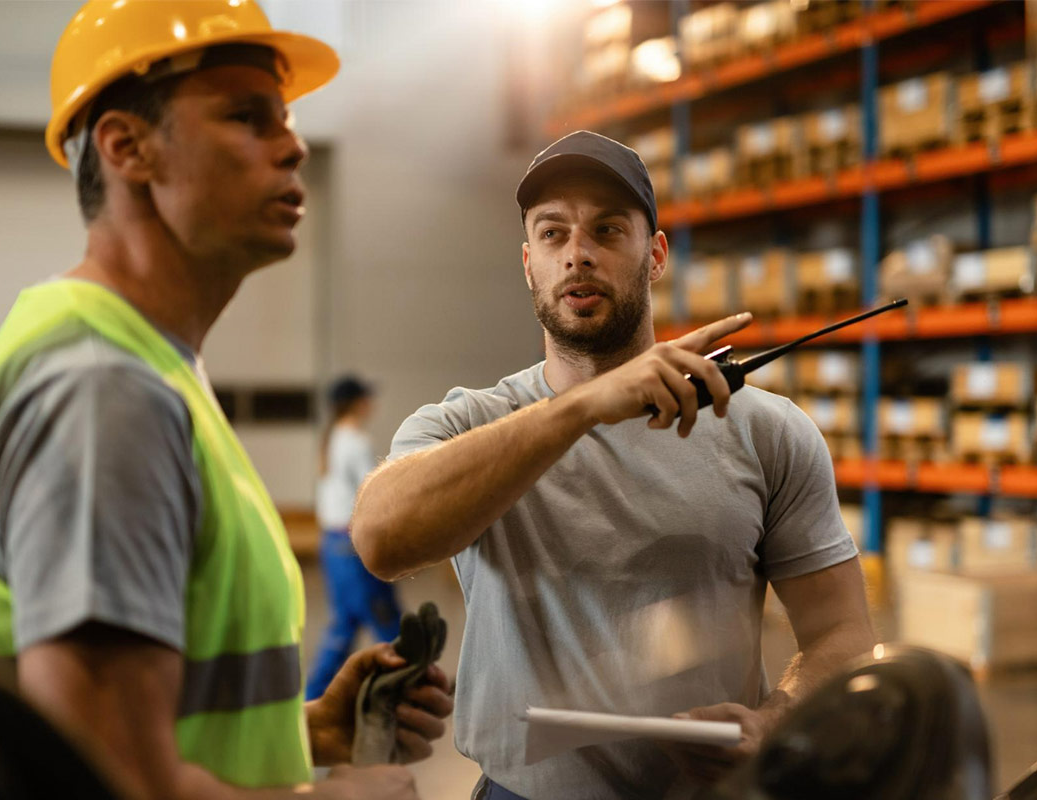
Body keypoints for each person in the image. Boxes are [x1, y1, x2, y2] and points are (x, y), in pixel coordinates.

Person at [0, 3, 452, 799]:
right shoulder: (103, 393)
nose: (295, 145)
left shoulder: (142, 366)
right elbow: (104, 780)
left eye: (287, 118)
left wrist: (307, 730)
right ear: (127, 148)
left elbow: (143, 725)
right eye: (247, 117)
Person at [351, 130, 876, 799]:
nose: (578, 254)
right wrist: (584, 408)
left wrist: (776, 721)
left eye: (607, 229)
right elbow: (379, 539)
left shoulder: (768, 432)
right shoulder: (467, 426)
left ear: (654, 255)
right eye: (552, 234)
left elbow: (843, 632)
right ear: (528, 262)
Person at [306, 376, 403, 700]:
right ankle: (408, 685)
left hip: (333, 543)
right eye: (367, 398)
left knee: (345, 623)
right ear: (357, 402)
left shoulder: (332, 436)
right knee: (385, 621)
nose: (371, 404)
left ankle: (314, 695)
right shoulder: (355, 440)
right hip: (352, 545)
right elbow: (370, 493)